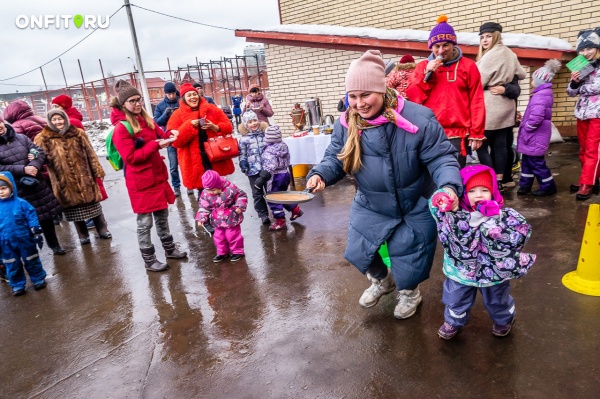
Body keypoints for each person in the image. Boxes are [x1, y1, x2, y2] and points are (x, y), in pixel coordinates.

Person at [306, 50, 462, 319]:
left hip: (414, 200)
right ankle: (382, 281)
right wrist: (320, 174)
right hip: (371, 201)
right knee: (358, 251)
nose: (359, 104)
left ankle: (409, 293)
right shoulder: (347, 123)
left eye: (365, 95)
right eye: (352, 96)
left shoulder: (419, 118)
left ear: (382, 88)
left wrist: (448, 186)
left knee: (408, 254)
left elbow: (441, 157)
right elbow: (336, 157)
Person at [429, 165, 535, 339]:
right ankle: (453, 322)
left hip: (493, 272)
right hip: (461, 271)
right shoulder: (453, 214)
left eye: (484, 190)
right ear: (462, 194)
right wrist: (444, 197)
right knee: (455, 298)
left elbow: (519, 235)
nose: (478, 195)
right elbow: (435, 208)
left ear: (493, 191)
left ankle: (504, 319)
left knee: (498, 299)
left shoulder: (502, 215)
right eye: (472, 191)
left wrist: (496, 223)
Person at [110, 79, 187, 272]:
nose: (137, 104)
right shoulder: (121, 128)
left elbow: (161, 134)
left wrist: (170, 134)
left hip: (156, 177)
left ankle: (169, 249)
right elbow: (130, 157)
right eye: (132, 101)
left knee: (162, 215)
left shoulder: (147, 120)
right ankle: (149, 259)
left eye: (139, 99)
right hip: (140, 182)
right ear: (123, 104)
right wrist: (155, 145)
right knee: (145, 223)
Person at [406, 15, 486, 168]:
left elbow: (477, 100)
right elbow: (414, 97)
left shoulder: (468, 66)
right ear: (431, 47)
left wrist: (477, 132)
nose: (441, 50)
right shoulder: (423, 66)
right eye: (437, 46)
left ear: (453, 44)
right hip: (429, 132)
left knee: (454, 176)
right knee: (430, 177)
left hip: (456, 133)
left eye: (445, 45)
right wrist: (426, 75)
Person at [34, 109, 112, 245]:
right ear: (49, 121)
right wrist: (34, 158)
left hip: (84, 177)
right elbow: (40, 158)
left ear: (65, 119)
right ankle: (83, 235)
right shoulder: (43, 138)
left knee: (94, 206)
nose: (58, 122)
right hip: (64, 181)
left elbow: (90, 153)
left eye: (60, 118)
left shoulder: (78, 133)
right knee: (74, 211)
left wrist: (97, 170)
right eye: (54, 119)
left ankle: (102, 229)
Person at [0, 115, 65, 255]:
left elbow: (39, 151)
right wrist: (23, 169)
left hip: (36, 184)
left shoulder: (21, 138)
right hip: (16, 189)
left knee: (46, 217)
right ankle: (30, 253)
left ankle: (54, 245)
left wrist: (34, 165)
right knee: (22, 222)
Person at [476, 22, 527, 190]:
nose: (484, 40)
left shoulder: (491, 55)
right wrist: (506, 83)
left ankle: (491, 180)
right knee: (501, 146)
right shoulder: (509, 53)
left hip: (490, 106)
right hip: (507, 107)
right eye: (482, 37)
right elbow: (522, 73)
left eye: (488, 36)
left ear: (496, 36)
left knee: (482, 146)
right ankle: (499, 180)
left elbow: (478, 82)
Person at [167, 83, 235, 201]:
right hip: (195, 162)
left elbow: (229, 127)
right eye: (189, 95)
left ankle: (221, 216)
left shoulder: (211, 109)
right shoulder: (177, 115)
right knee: (203, 193)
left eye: (195, 94)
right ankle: (205, 217)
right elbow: (175, 142)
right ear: (183, 99)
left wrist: (216, 127)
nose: (193, 97)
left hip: (215, 157)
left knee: (220, 190)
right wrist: (190, 125)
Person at [517, 59, 562, 196]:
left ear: (539, 81)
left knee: (536, 163)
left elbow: (537, 116)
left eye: (533, 80)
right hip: (533, 137)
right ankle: (525, 185)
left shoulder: (540, 97)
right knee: (527, 162)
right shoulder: (542, 94)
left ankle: (548, 186)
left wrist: (528, 126)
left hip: (534, 136)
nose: (531, 82)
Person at [0, 171, 48, 296]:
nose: (1, 192)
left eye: (3, 188)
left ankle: (38, 279)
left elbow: (31, 216)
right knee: (11, 264)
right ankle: (17, 284)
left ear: (11, 188)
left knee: (31, 259)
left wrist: (35, 229)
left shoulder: (21, 203)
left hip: (24, 238)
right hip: (5, 242)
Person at [566, 27, 600, 201]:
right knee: (584, 149)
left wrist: (581, 87)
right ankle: (589, 178)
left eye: (590, 48)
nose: (586, 53)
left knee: (593, 150)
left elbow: (597, 87)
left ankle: (588, 183)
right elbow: (570, 92)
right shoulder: (580, 66)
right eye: (582, 49)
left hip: (598, 114)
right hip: (582, 113)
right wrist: (574, 82)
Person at [195, 170, 247, 263]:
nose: (211, 192)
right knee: (219, 237)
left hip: (231, 217)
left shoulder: (230, 188)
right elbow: (203, 206)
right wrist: (201, 217)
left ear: (219, 185)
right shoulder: (206, 193)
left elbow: (241, 196)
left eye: (214, 190)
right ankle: (222, 252)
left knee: (232, 236)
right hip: (217, 219)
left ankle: (237, 251)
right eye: (208, 190)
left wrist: (240, 206)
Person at [261, 125, 303, 231]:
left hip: (274, 176)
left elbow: (271, 164)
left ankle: (280, 221)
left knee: (273, 198)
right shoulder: (283, 145)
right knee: (283, 195)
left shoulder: (269, 149)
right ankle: (295, 209)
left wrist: (264, 175)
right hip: (285, 173)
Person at [153, 82, 189, 197]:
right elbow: (157, 122)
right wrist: (166, 113)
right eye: (169, 94)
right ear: (165, 94)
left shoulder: (182, 102)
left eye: (173, 93)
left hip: (183, 137)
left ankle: (189, 185)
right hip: (170, 139)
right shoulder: (160, 106)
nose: (172, 96)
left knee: (186, 163)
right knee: (173, 166)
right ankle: (176, 187)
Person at [238, 110, 270, 225]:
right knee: (257, 193)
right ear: (246, 124)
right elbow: (242, 154)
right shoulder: (243, 139)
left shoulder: (264, 134)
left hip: (266, 169)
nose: (253, 124)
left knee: (270, 191)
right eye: (250, 122)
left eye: (255, 120)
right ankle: (263, 214)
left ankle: (276, 211)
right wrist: (243, 163)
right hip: (252, 170)